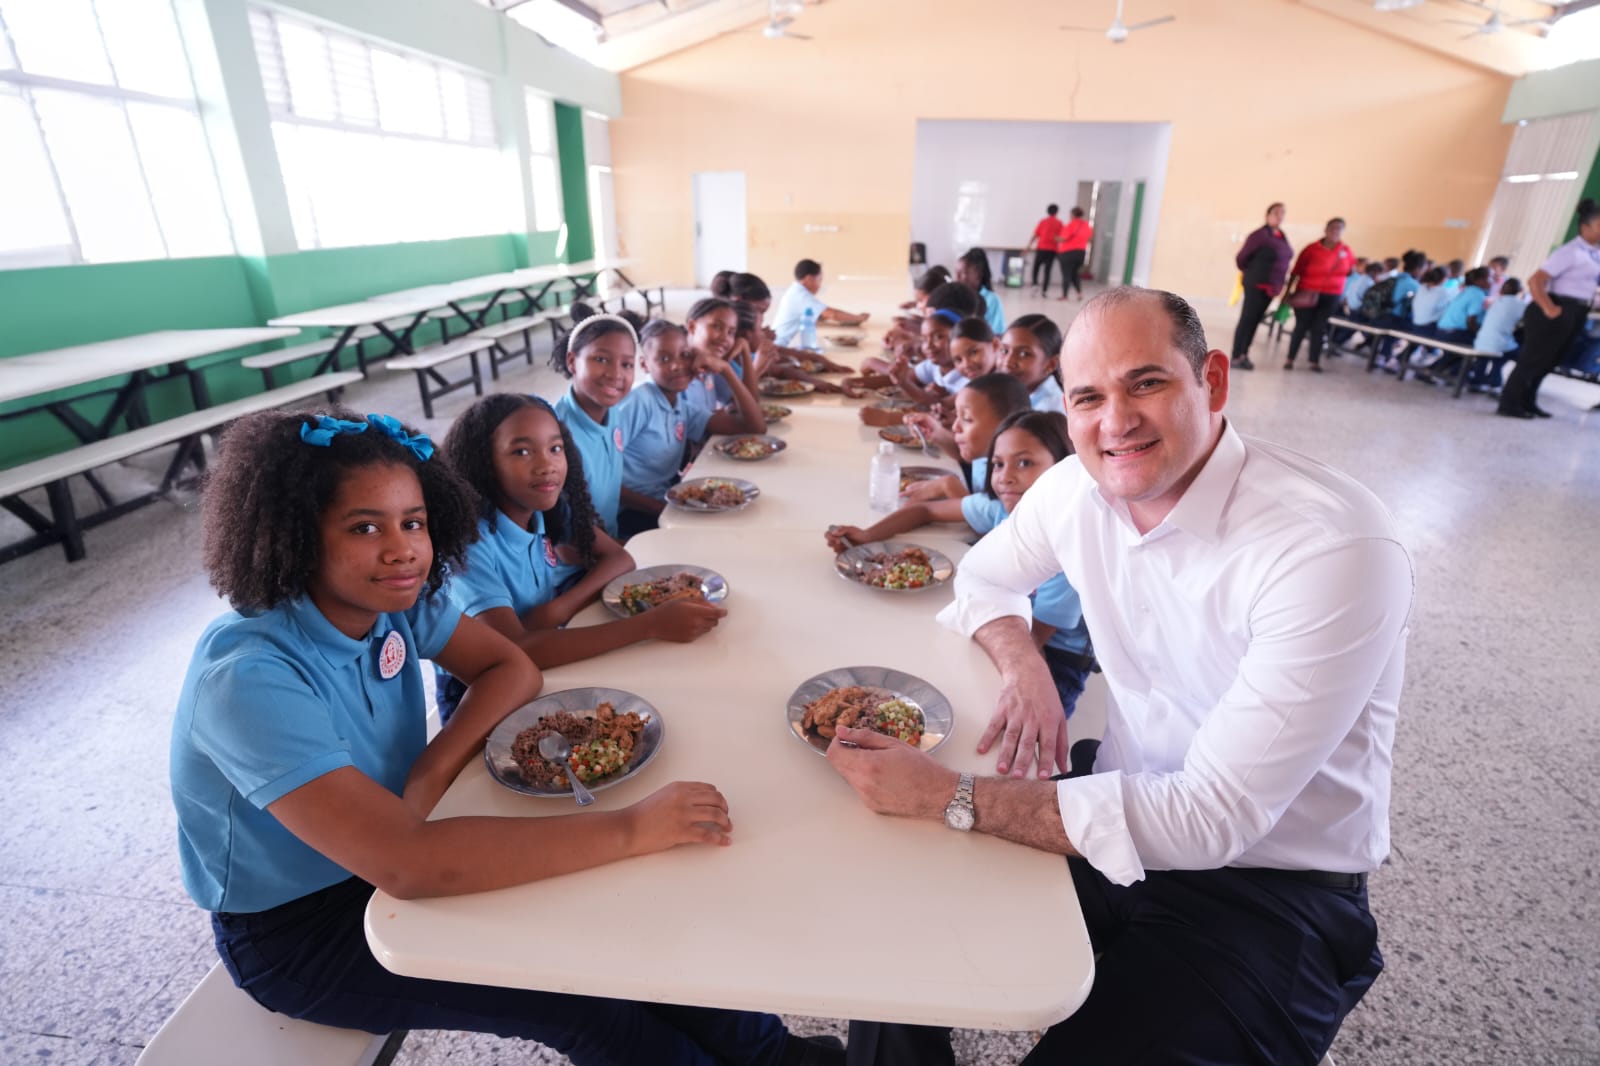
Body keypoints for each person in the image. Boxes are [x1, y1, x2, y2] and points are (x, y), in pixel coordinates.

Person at [828, 287, 1408, 1066]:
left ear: (1213, 380)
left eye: (1147, 383)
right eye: (1088, 398)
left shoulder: (1329, 545)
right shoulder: (1075, 492)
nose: (1115, 422)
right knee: (891, 936)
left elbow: (1214, 817)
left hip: (1271, 891)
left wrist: (949, 796)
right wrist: (1023, 659)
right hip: (1115, 810)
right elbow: (983, 584)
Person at [170, 407, 839, 1066]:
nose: (402, 548)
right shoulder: (249, 679)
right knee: (575, 998)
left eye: (414, 522)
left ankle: (774, 1055)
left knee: (628, 916)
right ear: (295, 534)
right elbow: (405, 864)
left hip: (404, 830)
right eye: (364, 527)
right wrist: (633, 827)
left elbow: (509, 667)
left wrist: (426, 778)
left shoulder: (398, 598)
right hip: (304, 929)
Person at [438, 394, 724, 704]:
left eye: (555, 448)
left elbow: (620, 557)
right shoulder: (468, 545)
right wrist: (650, 624)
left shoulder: (544, 507)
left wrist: (558, 608)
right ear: (484, 461)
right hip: (476, 693)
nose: (546, 464)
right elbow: (517, 649)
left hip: (540, 657)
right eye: (522, 451)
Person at [826, 410, 1091, 717]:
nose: (1005, 476)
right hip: (1007, 629)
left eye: (1025, 463)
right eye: (998, 464)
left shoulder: (1068, 549)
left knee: (1014, 728)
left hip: (1056, 657)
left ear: (1062, 472)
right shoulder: (1000, 507)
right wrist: (867, 536)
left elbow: (1031, 643)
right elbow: (926, 511)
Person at [616, 319, 765, 535]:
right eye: (664, 359)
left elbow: (754, 427)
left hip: (664, 501)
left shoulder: (682, 407)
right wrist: (666, 511)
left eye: (685, 355)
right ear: (644, 364)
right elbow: (601, 479)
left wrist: (725, 370)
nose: (677, 365)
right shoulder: (640, 402)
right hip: (631, 512)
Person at [1498, 199, 1600, 420]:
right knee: (1533, 358)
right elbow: (1536, 280)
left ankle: (1528, 400)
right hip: (1554, 308)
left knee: (1551, 359)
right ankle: (1509, 403)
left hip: (1576, 311)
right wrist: (1549, 307)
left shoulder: (1594, 253)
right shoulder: (1570, 251)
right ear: (1585, 227)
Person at [550, 307, 636, 537]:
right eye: (601, 359)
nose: (615, 374)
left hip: (612, 541)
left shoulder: (613, 412)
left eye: (626, 364)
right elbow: (559, 535)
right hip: (578, 563)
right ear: (572, 361)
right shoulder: (554, 433)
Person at [1282, 217, 1355, 371]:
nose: (1335, 231)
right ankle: (1290, 358)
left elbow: (1350, 272)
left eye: (1339, 228)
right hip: (1307, 292)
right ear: (1326, 229)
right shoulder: (1311, 249)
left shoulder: (1346, 251)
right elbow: (1296, 272)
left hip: (1331, 295)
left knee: (1319, 327)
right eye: (1333, 227)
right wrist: (1287, 293)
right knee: (1301, 326)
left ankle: (1313, 361)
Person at [1229, 202, 1293, 370]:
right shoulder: (1259, 235)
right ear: (1267, 215)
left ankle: (1244, 354)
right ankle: (1236, 355)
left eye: (1282, 214)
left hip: (1272, 287)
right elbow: (1241, 258)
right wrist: (1254, 273)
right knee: (1247, 319)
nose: (1279, 216)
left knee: (1255, 321)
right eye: (1276, 213)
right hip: (1256, 285)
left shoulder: (1280, 235)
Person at [772, 259, 869, 345]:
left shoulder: (795, 291)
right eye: (819, 280)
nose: (819, 285)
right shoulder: (800, 296)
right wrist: (858, 318)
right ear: (809, 278)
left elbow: (821, 315)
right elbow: (831, 314)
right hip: (782, 345)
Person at [1465, 277, 1525, 393]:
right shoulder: (1520, 305)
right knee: (1513, 355)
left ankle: (1478, 382)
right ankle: (1495, 382)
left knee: (1489, 354)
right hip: (1500, 343)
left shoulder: (1495, 301)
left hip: (1481, 340)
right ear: (1520, 290)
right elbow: (1523, 322)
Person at [998, 313, 1065, 413]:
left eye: (1024, 354)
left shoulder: (1049, 411)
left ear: (1051, 364)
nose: (1008, 362)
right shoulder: (1012, 393)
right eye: (1004, 351)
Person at [956, 248, 1007, 334]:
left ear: (978, 275)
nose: (957, 277)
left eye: (963, 273)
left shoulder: (992, 300)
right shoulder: (956, 297)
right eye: (956, 272)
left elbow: (998, 333)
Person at [1027, 204, 1064, 295]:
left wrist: (1028, 246)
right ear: (1057, 212)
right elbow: (1062, 238)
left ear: (1047, 211)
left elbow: (1035, 235)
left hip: (1041, 248)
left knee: (1036, 267)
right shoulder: (1059, 223)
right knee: (1048, 270)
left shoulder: (1043, 222)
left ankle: (1035, 284)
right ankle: (1044, 290)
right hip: (1052, 249)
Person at [1057, 207, 1093, 300]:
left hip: (1067, 252)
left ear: (1072, 214)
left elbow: (1063, 238)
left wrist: (1055, 238)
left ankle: (1065, 295)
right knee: (1074, 273)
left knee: (1066, 274)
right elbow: (1089, 238)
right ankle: (1079, 293)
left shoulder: (1070, 225)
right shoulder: (1086, 225)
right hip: (1081, 253)